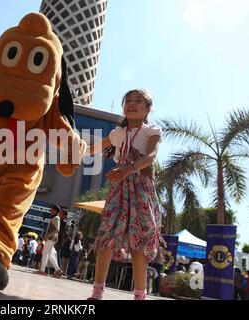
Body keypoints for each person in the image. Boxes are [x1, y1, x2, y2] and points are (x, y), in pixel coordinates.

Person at [86, 88, 162, 300]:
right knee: (106, 236)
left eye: (138, 101)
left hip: (141, 189)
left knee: (138, 241)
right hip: (118, 189)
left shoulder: (152, 130)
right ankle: (97, 293)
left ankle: (140, 296)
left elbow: (151, 156)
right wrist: (71, 149)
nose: (131, 103)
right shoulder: (117, 134)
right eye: (128, 100)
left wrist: (129, 168)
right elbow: (92, 148)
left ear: (148, 109)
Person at [37, 204, 63, 278]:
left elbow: (56, 229)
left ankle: (42, 270)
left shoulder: (56, 218)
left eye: (52, 210)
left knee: (45, 253)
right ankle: (57, 270)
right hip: (51, 238)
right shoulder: (55, 218)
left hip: (51, 239)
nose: (50, 211)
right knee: (48, 254)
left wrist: (47, 236)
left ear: (55, 210)